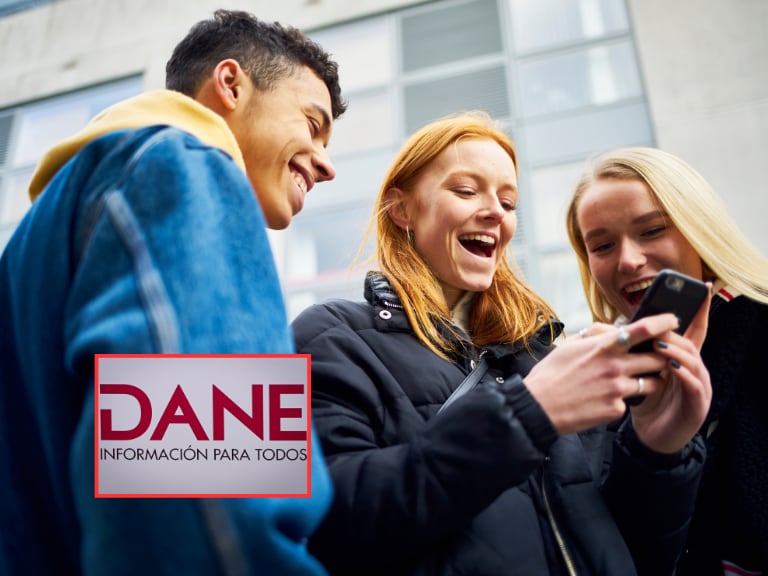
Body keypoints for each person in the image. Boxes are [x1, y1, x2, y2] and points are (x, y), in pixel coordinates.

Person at [0, 9, 346, 576]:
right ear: (230, 83)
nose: (327, 165)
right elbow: (209, 501)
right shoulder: (186, 169)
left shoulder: (39, 238)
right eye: (312, 124)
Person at [291, 112, 711, 576]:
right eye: (466, 191)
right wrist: (526, 415)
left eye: (508, 201)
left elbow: (633, 554)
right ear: (402, 209)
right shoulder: (332, 337)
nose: (496, 212)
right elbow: (317, 527)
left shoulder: (548, 357)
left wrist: (658, 451)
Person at [566, 146, 768, 575]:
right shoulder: (606, 377)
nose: (628, 260)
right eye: (601, 245)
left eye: (652, 230)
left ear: (701, 228)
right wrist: (655, 449)